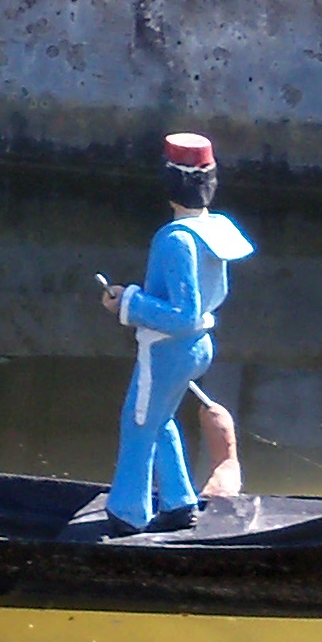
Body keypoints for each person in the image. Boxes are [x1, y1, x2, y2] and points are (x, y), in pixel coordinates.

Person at [96, 133, 253, 531]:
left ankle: (127, 513)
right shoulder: (214, 229)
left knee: (137, 424)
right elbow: (213, 296)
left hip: (169, 348)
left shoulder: (176, 240)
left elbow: (183, 314)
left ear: (168, 183)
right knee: (161, 419)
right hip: (198, 346)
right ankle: (180, 501)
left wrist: (129, 302)